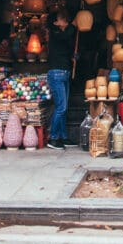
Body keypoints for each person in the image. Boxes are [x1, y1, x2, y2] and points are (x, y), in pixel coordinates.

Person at [46, 10, 78, 149]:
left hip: (64, 73)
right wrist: (74, 25)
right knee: (61, 107)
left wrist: (74, 57)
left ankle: (63, 137)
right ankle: (53, 138)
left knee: (64, 108)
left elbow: (66, 50)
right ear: (55, 23)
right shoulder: (54, 33)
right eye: (62, 18)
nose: (65, 19)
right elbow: (67, 34)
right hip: (56, 74)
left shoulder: (63, 36)